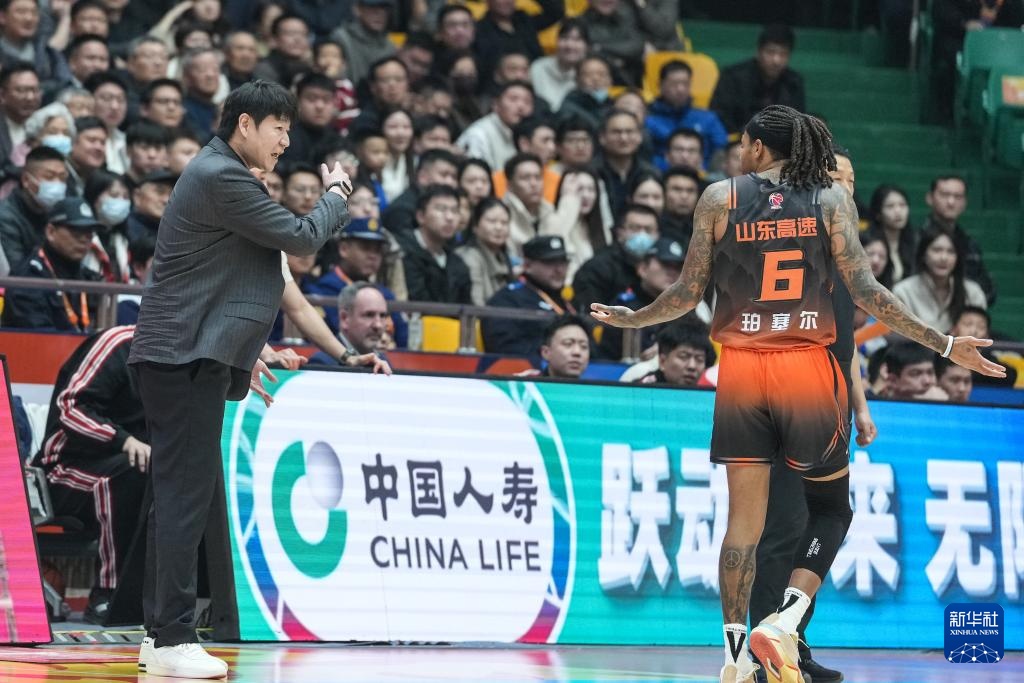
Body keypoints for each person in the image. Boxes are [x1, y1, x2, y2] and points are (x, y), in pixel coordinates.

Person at [590, 104, 1003, 683]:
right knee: (831, 507)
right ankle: (785, 621)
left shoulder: (718, 198)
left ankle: (734, 654)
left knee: (743, 525)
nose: (740, 150)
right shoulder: (830, 201)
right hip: (806, 367)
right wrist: (944, 342)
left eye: (743, 142)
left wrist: (634, 319)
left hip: (740, 370)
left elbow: (686, 292)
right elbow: (868, 292)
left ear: (760, 147)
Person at [128, 80, 354, 679]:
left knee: (178, 496)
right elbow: (303, 238)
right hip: (181, 357)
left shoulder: (221, 175)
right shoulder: (220, 175)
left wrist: (241, 354)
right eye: (280, 128)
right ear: (246, 124)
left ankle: (159, 636)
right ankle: (174, 638)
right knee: (185, 497)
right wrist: (336, 194)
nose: (286, 142)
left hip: (186, 355)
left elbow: (222, 282)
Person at [32, 325, 148, 625]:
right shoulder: (119, 344)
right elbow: (70, 408)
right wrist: (122, 439)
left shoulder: (186, 359)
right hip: (62, 468)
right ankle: (108, 594)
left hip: (134, 467)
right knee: (124, 476)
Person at [2, 197, 102, 331]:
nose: (84, 240)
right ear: (51, 232)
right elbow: (37, 335)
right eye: (76, 232)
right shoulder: (27, 279)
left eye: (89, 233)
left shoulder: (91, 278)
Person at [483, 234, 574, 357]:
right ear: (527, 265)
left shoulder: (567, 299)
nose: (559, 270)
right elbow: (505, 350)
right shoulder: (507, 300)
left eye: (563, 262)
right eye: (550, 263)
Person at [598, 236, 685, 361]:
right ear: (643, 269)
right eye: (665, 264)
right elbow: (606, 355)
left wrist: (669, 349)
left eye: (678, 266)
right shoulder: (623, 306)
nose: (672, 272)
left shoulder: (687, 307)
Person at [710, 24, 806, 134]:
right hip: (737, 139)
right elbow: (719, 115)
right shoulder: (733, 77)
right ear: (759, 52)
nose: (776, 60)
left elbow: (798, 121)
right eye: (770, 52)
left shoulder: (794, 83)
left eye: (783, 54)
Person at [893, 226, 988, 333]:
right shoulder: (903, 292)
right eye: (937, 250)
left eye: (951, 252)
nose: (944, 258)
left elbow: (981, 334)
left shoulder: (973, 293)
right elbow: (897, 337)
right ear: (923, 255)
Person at [572, 202, 660, 314]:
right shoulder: (598, 267)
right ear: (620, 233)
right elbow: (591, 312)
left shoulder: (665, 264)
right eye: (635, 229)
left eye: (648, 230)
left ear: (658, 234)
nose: (642, 235)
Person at [920, 175, 995, 304]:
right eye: (945, 195)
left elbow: (989, 291)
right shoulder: (916, 239)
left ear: (965, 202)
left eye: (958, 196)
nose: (951, 202)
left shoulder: (970, 244)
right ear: (930, 198)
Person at [396, 184, 471, 303]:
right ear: (421, 216)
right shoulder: (401, 252)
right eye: (441, 209)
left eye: (455, 211)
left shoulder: (457, 263)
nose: (449, 217)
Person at [645, 61, 728, 169]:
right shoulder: (648, 120)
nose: (680, 89)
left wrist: (707, 172)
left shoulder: (708, 118)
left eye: (685, 84)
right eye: (674, 84)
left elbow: (722, 150)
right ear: (660, 85)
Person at [0, 145, 68, 269]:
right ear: (26, 180)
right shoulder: (5, 217)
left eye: (62, 178)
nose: (57, 184)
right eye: (49, 177)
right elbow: (17, 270)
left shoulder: (59, 213)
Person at [456, 80, 534, 172]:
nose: (521, 106)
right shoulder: (478, 134)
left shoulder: (525, 135)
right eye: (513, 99)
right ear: (496, 104)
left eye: (527, 101)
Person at [455, 197, 514, 306]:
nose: (499, 227)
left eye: (504, 223)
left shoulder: (503, 257)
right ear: (475, 226)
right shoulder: (470, 258)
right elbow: (475, 306)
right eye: (492, 221)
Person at [530, 19, 588, 113]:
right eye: (564, 38)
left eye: (577, 40)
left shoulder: (591, 72)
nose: (570, 45)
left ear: (587, 46)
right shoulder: (538, 67)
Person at [636, 318, 716, 387]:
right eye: (683, 356)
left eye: (699, 359)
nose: (692, 366)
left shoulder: (709, 393)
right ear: (662, 361)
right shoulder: (642, 390)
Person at [867, 184, 914, 284]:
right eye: (890, 206)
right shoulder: (868, 243)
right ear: (878, 213)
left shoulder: (914, 242)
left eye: (902, 205)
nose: (898, 211)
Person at [518, 314, 592, 379]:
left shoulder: (594, 389)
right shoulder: (525, 385)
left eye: (584, 346)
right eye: (568, 344)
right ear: (546, 352)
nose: (577, 352)